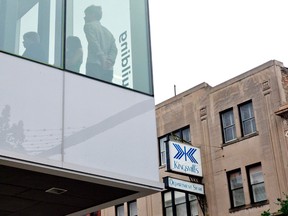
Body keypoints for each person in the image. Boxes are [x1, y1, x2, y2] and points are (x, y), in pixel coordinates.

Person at [83, 5, 117, 82]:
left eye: (86, 15)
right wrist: (109, 61)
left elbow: (94, 43)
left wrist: (102, 59)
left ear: (93, 15)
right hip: (108, 68)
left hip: (94, 64)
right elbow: (114, 50)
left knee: (93, 90)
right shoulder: (108, 33)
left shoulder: (88, 26)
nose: (84, 17)